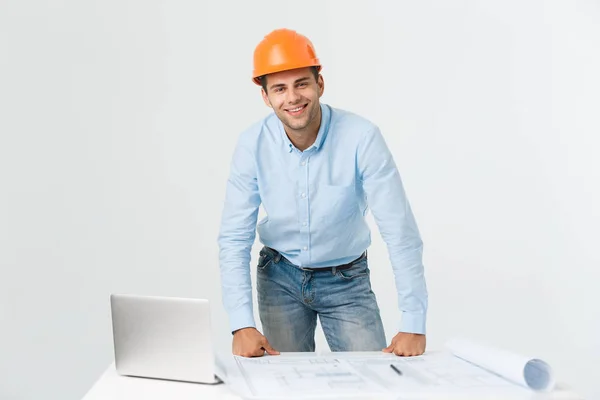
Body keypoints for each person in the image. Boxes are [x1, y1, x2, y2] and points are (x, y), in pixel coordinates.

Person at [218, 28, 428, 358]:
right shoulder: (251, 145)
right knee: (287, 385)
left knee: (370, 381)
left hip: (346, 278)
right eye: (280, 88)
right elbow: (234, 237)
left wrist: (414, 322)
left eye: (301, 83)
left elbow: (399, 231)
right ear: (266, 97)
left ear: (320, 84)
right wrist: (240, 324)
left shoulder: (362, 138)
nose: (292, 97)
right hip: (279, 276)